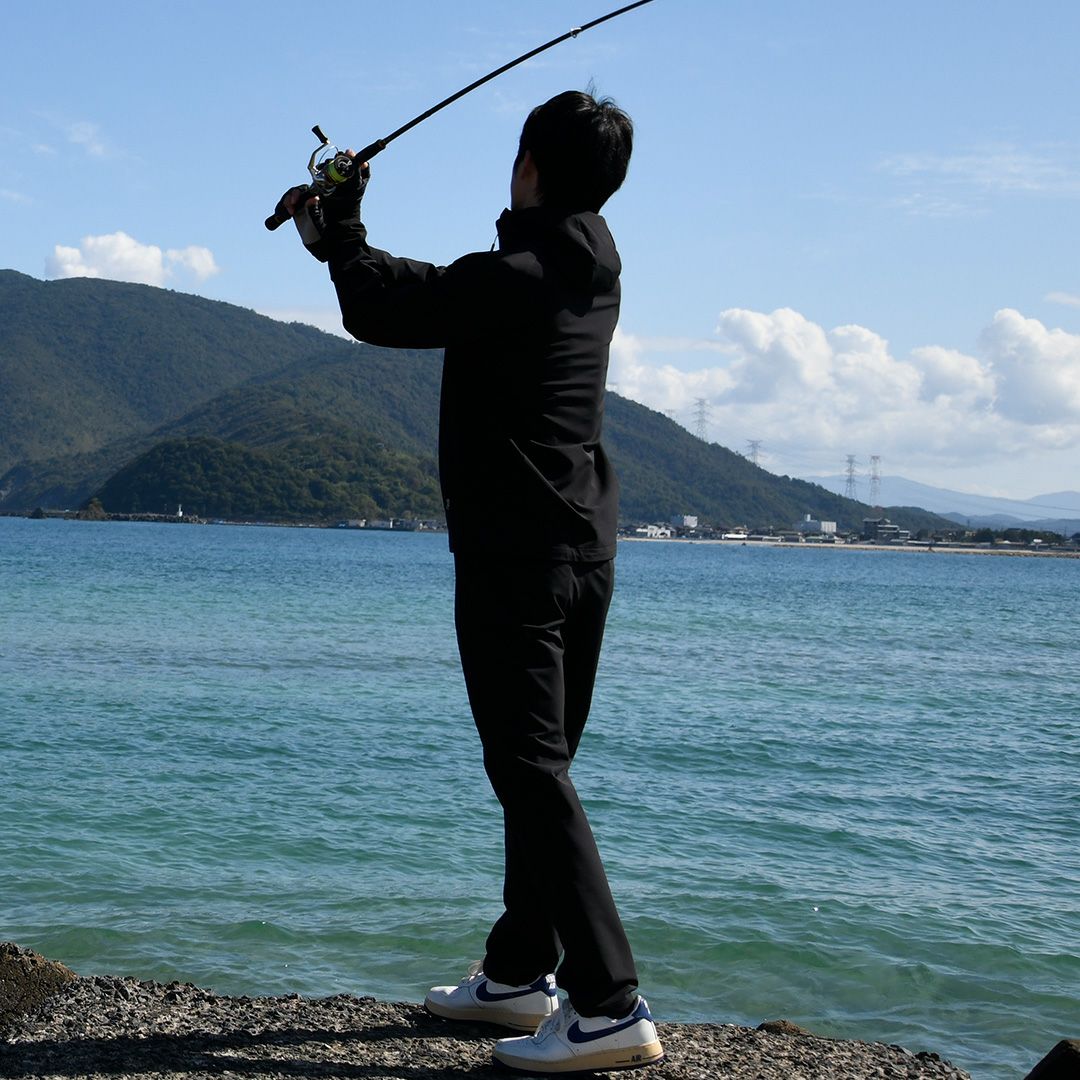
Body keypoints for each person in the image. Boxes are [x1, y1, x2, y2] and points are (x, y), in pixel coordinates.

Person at [279, 89, 662, 1074]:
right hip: (585, 550)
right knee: (540, 770)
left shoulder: (515, 276)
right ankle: (519, 972)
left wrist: (341, 230)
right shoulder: (586, 273)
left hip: (515, 555)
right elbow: (439, 287)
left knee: (528, 769)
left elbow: (383, 309)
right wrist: (345, 239)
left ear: (529, 166)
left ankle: (609, 1002)